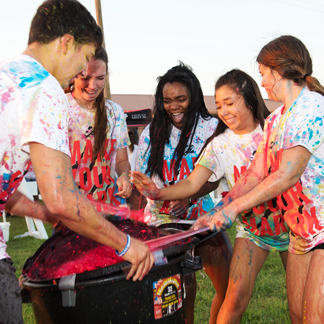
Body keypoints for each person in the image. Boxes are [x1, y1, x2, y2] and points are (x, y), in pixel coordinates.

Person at [0, 1, 153, 323]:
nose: (79, 76)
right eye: (84, 59)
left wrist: (40, 212)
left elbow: (6, 188)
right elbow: (62, 200)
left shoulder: (9, 75)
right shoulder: (44, 88)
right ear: (66, 42)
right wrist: (126, 244)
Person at [131, 69, 290, 323]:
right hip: (241, 229)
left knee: (299, 303)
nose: (174, 106)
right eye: (219, 105)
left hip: (289, 226)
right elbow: (194, 181)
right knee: (185, 291)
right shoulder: (217, 141)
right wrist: (157, 193)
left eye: (229, 102)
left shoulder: (270, 129)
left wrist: (195, 201)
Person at [192, 36, 324, 323]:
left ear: (278, 71)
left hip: (323, 228)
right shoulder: (277, 118)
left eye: (263, 74)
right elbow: (256, 172)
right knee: (299, 315)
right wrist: (216, 210)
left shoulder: (312, 106)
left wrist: (234, 209)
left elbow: (287, 173)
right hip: (301, 232)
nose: (262, 82)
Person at [134, 63, 233, 324]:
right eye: (167, 101)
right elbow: (142, 182)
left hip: (204, 218)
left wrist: (189, 197)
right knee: (181, 278)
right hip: (163, 221)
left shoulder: (211, 128)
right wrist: (145, 189)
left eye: (181, 99)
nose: (174, 106)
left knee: (230, 279)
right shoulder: (151, 133)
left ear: (194, 97)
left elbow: (217, 176)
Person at [66, 47, 132, 209]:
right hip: (71, 212)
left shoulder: (114, 112)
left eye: (100, 78)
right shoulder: (60, 108)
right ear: (73, 75)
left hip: (108, 210)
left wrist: (124, 176)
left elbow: (122, 160)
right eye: (85, 77)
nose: (93, 85)